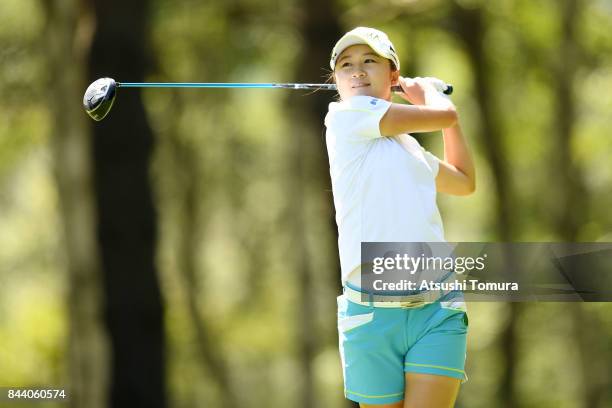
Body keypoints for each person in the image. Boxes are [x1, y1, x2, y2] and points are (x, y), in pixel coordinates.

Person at [324, 27, 476, 408]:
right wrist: (433, 99)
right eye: (346, 65)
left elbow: (463, 182)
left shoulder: (407, 147)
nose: (357, 70)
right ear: (337, 82)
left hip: (436, 310)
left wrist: (449, 121)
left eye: (369, 61)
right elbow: (442, 113)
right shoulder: (345, 117)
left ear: (392, 77)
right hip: (371, 315)